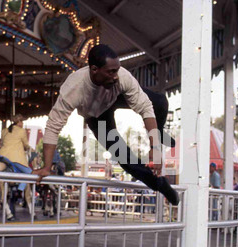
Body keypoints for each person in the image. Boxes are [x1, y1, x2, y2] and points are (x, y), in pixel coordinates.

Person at [34, 44, 179, 205]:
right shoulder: (74, 88)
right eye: (110, 72)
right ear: (94, 69)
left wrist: (155, 148)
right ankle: (160, 185)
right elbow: (53, 126)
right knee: (123, 156)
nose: (115, 76)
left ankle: (157, 133)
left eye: (117, 70)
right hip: (97, 117)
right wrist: (46, 166)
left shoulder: (121, 77)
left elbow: (145, 107)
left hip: (114, 97)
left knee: (159, 101)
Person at [0, 114, 32, 191]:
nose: (23, 124)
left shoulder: (4, 131)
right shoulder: (21, 131)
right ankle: (19, 190)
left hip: (2, 156)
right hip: (14, 158)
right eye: (22, 122)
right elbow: (26, 145)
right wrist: (28, 148)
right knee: (30, 173)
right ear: (19, 122)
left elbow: (3, 142)